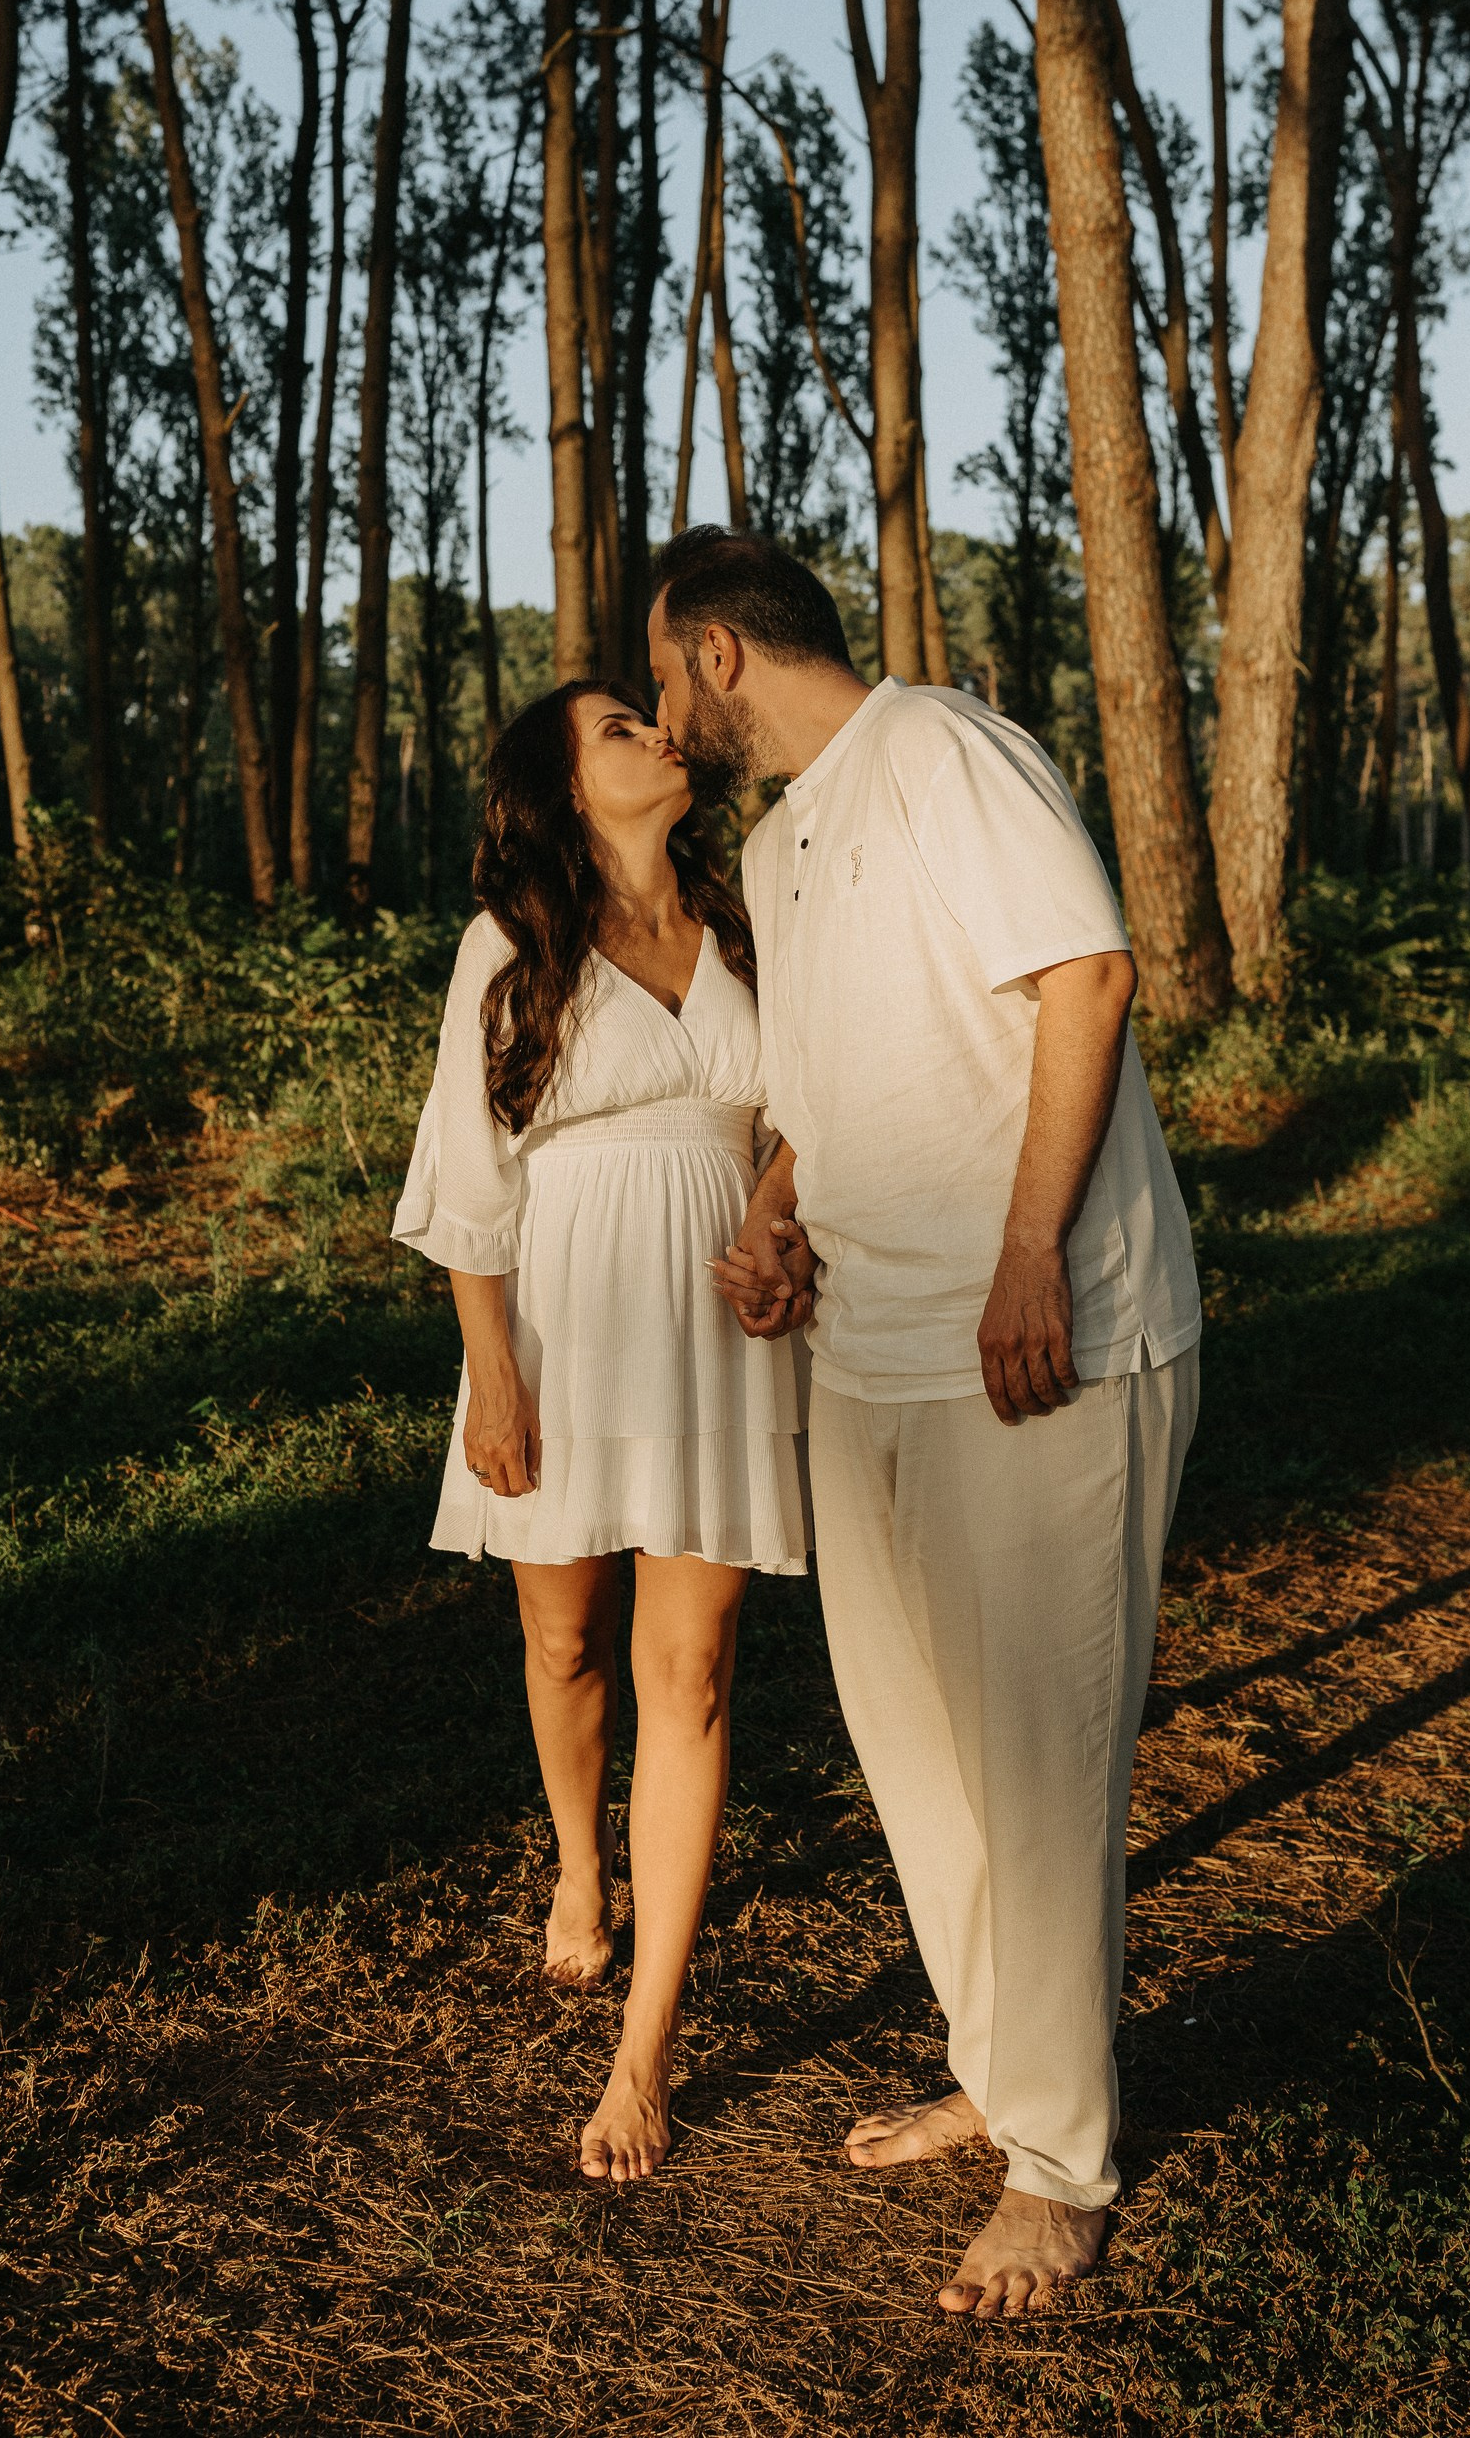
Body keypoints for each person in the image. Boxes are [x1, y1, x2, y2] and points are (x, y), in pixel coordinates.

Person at [647, 528, 1201, 2322]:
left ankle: (1063, 2166)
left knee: (1038, 1758)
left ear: (725, 651)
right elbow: (818, 1096)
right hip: (865, 1355)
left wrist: (1032, 1252)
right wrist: (775, 1216)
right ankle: (1002, 2063)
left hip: (1040, 1336)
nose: (664, 714)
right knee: (919, 1747)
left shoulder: (947, 750)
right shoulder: (782, 838)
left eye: (667, 676)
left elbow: (1087, 979)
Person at [392, 679, 809, 2185]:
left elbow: (799, 1119)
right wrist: (491, 1372)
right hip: (562, 1325)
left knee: (687, 1673)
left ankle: (646, 2048)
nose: (656, 733)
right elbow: (467, 1174)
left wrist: (778, 1226)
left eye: (650, 717)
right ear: (567, 790)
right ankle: (581, 1864)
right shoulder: (510, 948)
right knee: (567, 1645)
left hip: (721, 1328)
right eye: (618, 729)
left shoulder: (750, 922)